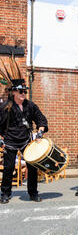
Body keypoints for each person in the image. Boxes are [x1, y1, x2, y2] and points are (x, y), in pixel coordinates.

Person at [0, 72, 48, 204]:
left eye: (25, 91)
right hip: (10, 141)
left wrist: (40, 131)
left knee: (32, 167)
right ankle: (5, 193)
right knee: (9, 168)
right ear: (13, 92)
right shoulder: (5, 107)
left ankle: (33, 193)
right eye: (21, 91)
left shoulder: (30, 105)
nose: (23, 94)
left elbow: (41, 119)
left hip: (26, 140)